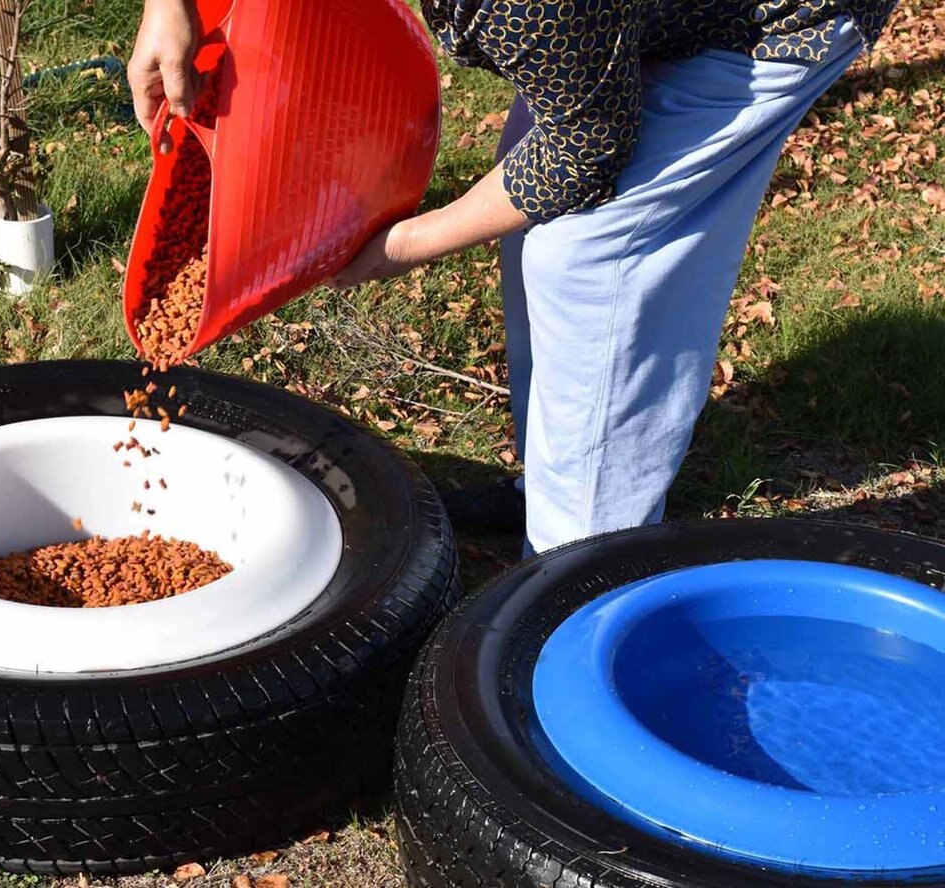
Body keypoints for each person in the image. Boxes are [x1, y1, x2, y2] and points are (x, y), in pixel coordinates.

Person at [129, 0, 897, 555]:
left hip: (771, 19)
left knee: (593, 256)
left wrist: (401, 245)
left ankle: (579, 570)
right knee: (528, 207)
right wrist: (171, 8)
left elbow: (587, 145)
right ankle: (549, 492)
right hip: (623, 19)